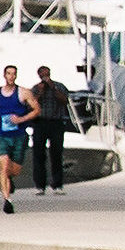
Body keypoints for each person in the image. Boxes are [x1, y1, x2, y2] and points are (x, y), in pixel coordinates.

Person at [0, 65, 39, 214]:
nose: (11, 76)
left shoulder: (23, 93)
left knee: (14, 171)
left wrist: (21, 119)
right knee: (4, 165)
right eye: (8, 74)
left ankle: (9, 180)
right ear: (4, 75)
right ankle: (7, 200)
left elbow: (37, 110)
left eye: (13, 74)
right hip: (0, 135)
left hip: (18, 136)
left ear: (16, 76)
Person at [30, 65, 71, 195]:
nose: (45, 77)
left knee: (56, 153)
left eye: (46, 74)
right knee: (39, 155)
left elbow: (65, 100)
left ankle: (57, 184)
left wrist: (53, 88)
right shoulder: (36, 88)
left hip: (56, 123)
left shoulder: (59, 86)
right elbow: (32, 104)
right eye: (42, 75)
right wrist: (40, 92)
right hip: (40, 123)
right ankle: (40, 185)